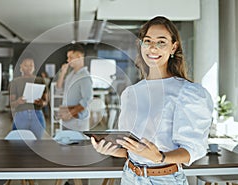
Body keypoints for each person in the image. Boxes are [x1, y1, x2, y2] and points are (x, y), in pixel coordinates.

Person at [91, 16, 213, 185]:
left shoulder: (189, 93)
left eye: (161, 42)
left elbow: (193, 150)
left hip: (165, 179)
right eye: (147, 41)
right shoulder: (131, 93)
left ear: (173, 47)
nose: (152, 48)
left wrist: (160, 157)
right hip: (130, 176)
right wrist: (110, 149)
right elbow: (130, 150)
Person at [56, 43, 93, 131]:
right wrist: (62, 74)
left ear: (79, 56)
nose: (68, 60)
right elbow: (58, 89)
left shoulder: (84, 77)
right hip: (67, 119)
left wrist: (69, 114)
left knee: (76, 144)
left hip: (77, 121)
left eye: (71, 57)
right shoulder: (71, 75)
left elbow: (87, 100)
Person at [9, 58, 48, 139]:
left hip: (37, 114)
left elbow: (46, 102)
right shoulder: (15, 82)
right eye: (26, 65)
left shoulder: (40, 80)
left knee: (37, 143)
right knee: (18, 143)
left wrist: (41, 103)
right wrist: (18, 102)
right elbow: (11, 103)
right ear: (21, 67)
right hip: (21, 115)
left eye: (31, 65)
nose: (29, 67)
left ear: (34, 67)